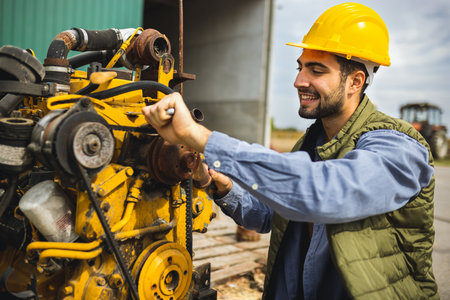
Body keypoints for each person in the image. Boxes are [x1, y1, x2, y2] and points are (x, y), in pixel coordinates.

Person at [142, 3, 439, 299]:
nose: (299, 81)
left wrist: (199, 136)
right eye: (301, 67)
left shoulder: (399, 147)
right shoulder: (312, 143)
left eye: (316, 70)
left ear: (355, 82)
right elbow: (269, 216)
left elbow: (323, 192)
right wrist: (216, 183)